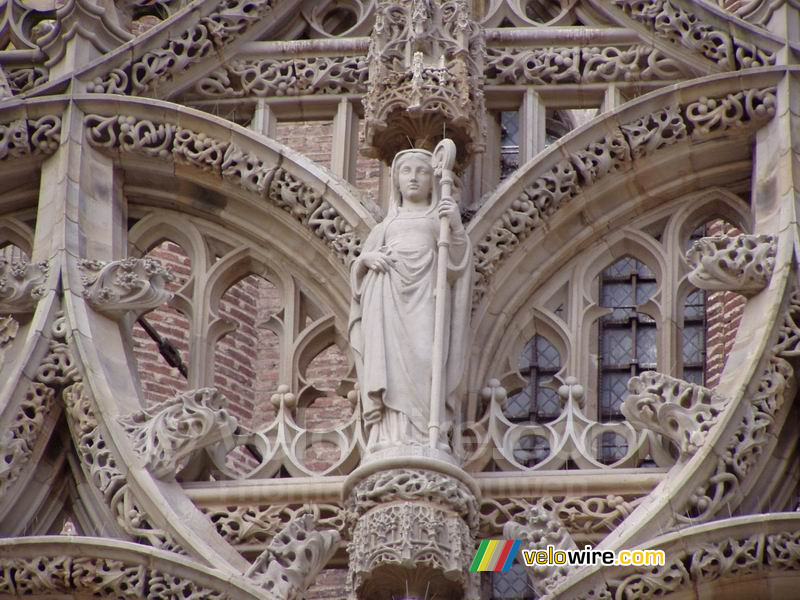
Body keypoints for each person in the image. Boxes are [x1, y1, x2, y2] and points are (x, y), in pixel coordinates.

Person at [348, 148, 472, 451]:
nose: (414, 178)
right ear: (396, 180)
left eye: (422, 171)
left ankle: (428, 434)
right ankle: (389, 434)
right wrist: (366, 261)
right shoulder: (385, 227)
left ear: (433, 180)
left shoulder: (438, 222)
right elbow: (360, 270)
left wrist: (456, 225)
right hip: (387, 302)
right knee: (388, 366)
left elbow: (458, 262)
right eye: (406, 171)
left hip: (427, 299)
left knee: (427, 360)